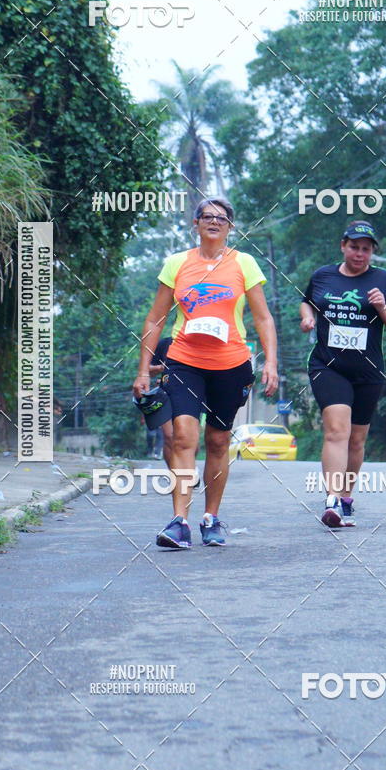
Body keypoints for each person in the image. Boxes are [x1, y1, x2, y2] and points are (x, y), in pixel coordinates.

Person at [133, 197, 278, 549]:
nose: (214, 221)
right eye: (207, 216)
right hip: (184, 360)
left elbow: (262, 317)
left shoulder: (244, 263)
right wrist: (143, 371)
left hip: (231, 364)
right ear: (195, 224)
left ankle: (211, 518)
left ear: (231, 227)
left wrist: (270, 361)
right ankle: (179, 520)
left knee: (217, 440)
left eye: (222, 218)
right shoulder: (176, 264)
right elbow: (156, 318)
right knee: (183, 437)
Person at [299, 221, 386, 527]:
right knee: (336, 431)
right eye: (354, 247)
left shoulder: (383, 279)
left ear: (372, 252)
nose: (360, 254)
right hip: (327, 365)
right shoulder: (323, 276)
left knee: (357, 440)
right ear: (343, 246)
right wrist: (307, 319)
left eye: (366, 249)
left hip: (368, 371)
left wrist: (382, 307)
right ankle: (331, 499)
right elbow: (307, 303)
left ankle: (345, 498)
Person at [148, 336, 173, 462]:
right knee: (168, 437)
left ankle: (187, 469)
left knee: (188, 440)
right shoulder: (165, 344)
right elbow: (148, 369)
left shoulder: (200, 344)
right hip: (166, 396)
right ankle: (177, 475)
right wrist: (162, 368)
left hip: (192, 395)